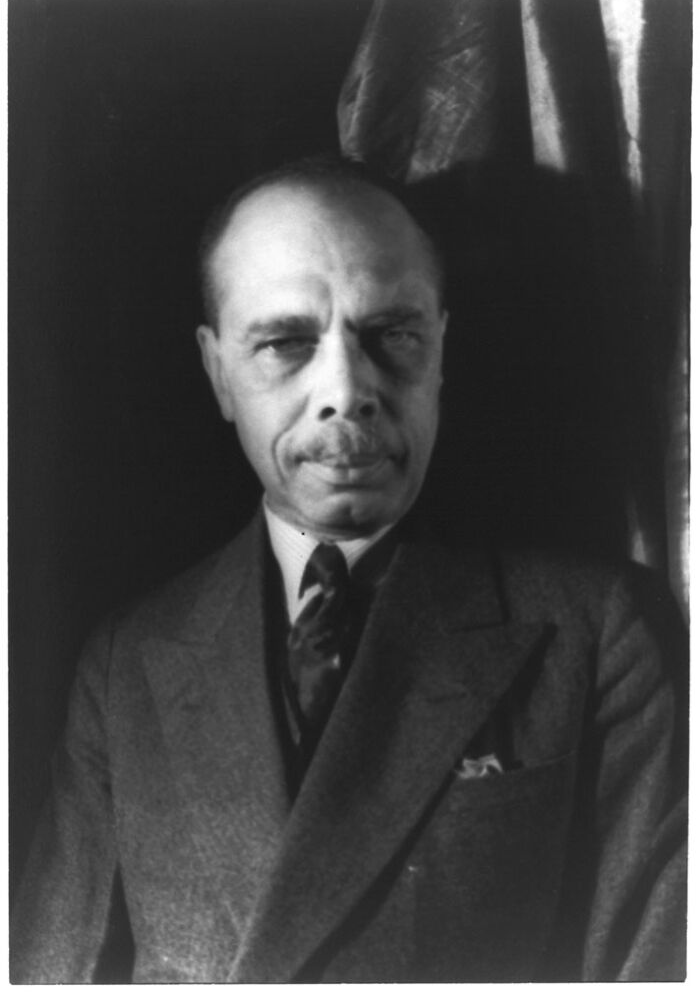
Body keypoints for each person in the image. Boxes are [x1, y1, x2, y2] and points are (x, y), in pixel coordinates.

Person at [10, 155, 687, 982]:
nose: (347, 389)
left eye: (393, 335)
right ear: (219, 371)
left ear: (442, 352)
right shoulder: (126, 666)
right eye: (286, 343)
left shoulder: (600, 632)